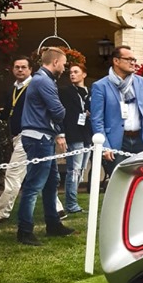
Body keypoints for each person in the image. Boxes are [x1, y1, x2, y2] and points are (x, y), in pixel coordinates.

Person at [0, 57, 65, 225]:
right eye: (17, 67)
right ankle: (57, 210)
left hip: (31, 136)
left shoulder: (35, 85)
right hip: (20, 136)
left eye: (23, 67)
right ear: (13, 69)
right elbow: (9, 112)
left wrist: (59, 133)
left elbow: (53, 110)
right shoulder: (12, 89)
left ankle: (1, 213)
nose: (20, 70)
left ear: (30, 69)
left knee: (14, 174)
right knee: (44, 174)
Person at [16, 47, 74, 246]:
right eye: (64, 64)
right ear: (55, 62)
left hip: (42, 137)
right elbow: (58, 111)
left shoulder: (43, 80)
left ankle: (53, 225)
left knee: (50, 182)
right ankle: (24, 231)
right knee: (34, 186)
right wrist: (61, 114)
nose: (64, 68)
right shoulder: (43, 81)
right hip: (38, 138)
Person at [90, 45, 143, 174]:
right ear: (116, 61)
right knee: (120, 179)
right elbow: (97, 119)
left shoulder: (141, 82)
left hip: (141, 140)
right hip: (116, 142)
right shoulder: (101, 86)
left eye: (134, 60)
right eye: (129, 59)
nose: (133, 63)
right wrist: (105, 146)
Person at [59, 63, 92, 214]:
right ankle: (71, 204)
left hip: (87, 134)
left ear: (84, 74)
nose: (72, 74)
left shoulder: (90, 92)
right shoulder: (65, 91)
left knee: (82, 169)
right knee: (74, 169)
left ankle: (73, 202)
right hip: (73, 134)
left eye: (76, 72)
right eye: (71, 72)